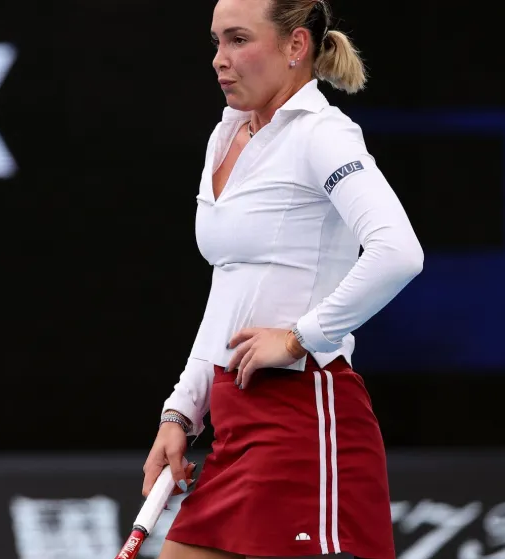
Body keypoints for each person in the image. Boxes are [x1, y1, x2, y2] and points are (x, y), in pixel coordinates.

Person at [140, 0, 424, 558]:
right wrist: (181, 411)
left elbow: (399, 251)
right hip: (235, 419)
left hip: (306, 418)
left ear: (296, 47)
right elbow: (230, 294)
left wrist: (299, 336)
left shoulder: (324, 134)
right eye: (217, 41)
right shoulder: (224, 138)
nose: (220, 59)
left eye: (239, 40)